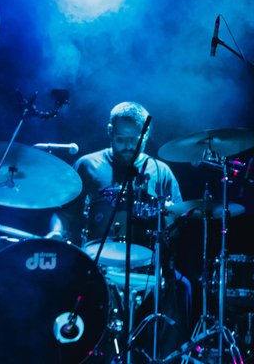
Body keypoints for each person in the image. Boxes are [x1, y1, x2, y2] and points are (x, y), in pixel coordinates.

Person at [53, 101, 192, 360]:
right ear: (109, 132)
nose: (128, 145)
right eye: (121, 139)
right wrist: (56, 234)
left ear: (146, 135)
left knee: (181, 287)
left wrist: (170, 224)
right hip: (96, 265)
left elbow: (177, 223)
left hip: (147, 267)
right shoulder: (87, 165)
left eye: (134, 140)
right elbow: (63, 213)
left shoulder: (161, 172)